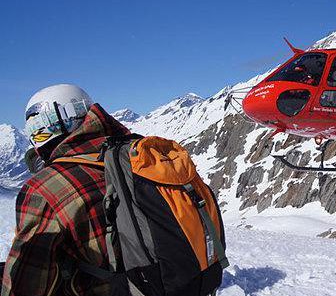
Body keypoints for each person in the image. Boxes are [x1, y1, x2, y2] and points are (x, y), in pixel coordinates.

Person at [2, 84, 226, 296]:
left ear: (55, 124)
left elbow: (26, 283)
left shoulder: (45, 188)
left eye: (36, 129)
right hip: (183, 284)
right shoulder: (138, 157)